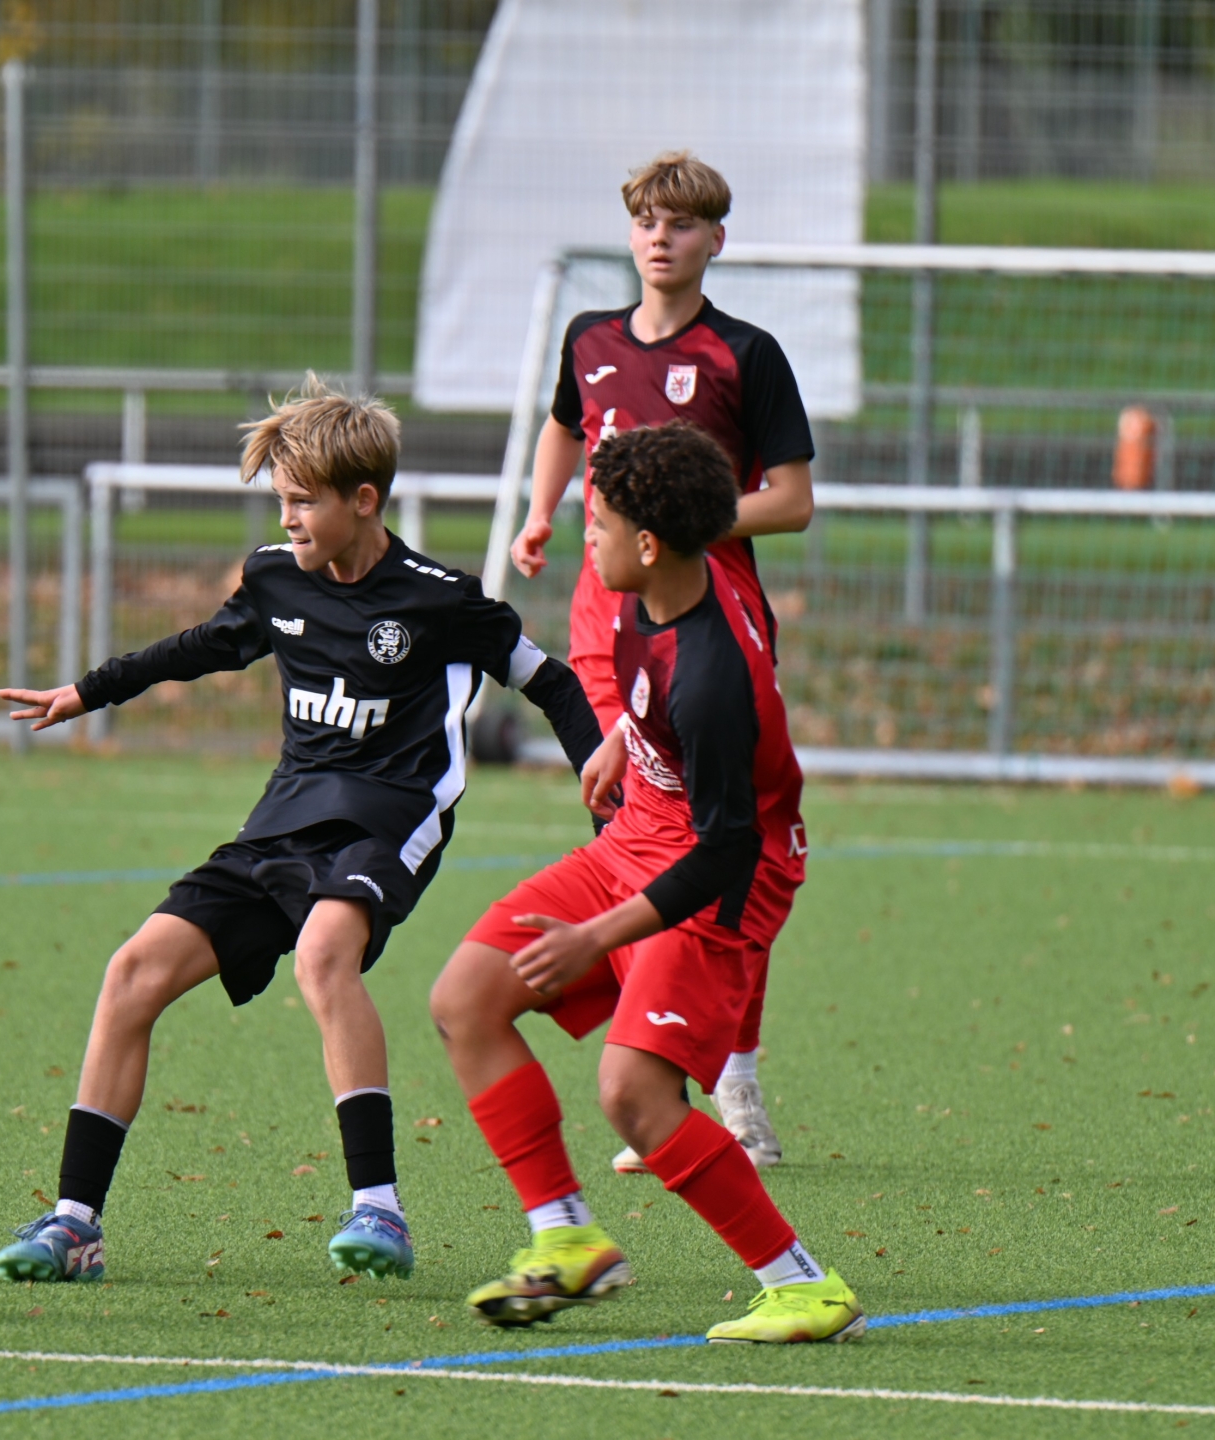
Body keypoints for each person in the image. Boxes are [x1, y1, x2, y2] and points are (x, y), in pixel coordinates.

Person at [0, 378, 602, 1287]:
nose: (288, 518)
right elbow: (202, 645)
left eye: (304, 501)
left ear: (365, 500)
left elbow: (551, 682)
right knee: (132, 972)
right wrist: (90, 690)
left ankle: (378, 1209)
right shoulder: (276, 576)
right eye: (282, 499)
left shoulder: (441, 600)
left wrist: (604, 790)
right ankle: (75, 1224)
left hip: (389, 818)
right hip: (284, 820)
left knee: (323, 958)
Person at [431, 423, 861, 1344]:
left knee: (633, 1095)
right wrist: (627, 738)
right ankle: (566, 1237)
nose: (588, 539)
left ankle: (802, 1286)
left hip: (726, 876)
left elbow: (728, 850)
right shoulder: (646, 596)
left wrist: (596, 937)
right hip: (639, 836)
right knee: (466, 998)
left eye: (599, 525)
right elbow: (650, 686)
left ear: (650, 542)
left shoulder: (714, 677)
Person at [509, 150, 814, 1173]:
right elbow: (566, 428)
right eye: (646, 219)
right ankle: (663, 1081)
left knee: (724, 845)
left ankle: (738, 1074)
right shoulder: (589, 339)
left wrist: (682, 522)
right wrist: (542, 513)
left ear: (714, 239)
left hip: (708, 617)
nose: (660, 237)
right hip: (607, 625)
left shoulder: (746, 354)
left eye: (681, 223)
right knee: (633, 836)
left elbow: (794, 500)